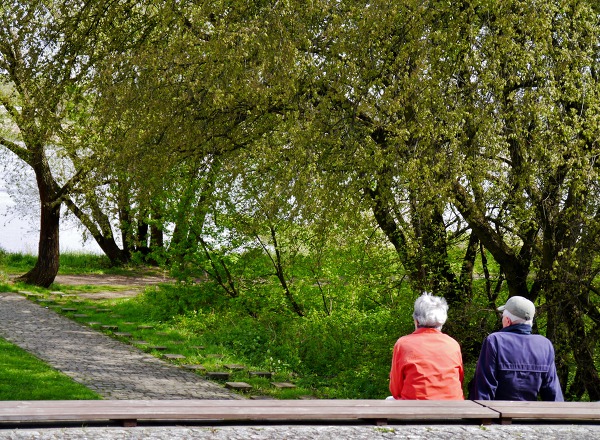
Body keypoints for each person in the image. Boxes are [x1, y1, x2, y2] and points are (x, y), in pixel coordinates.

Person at [470, 296, 564, 401]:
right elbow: (552, 392)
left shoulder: (494, 341)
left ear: (507, 321)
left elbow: (484, 388)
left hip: (499, 414)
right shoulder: (544, 345)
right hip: (530, 415)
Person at [389, 292, 464, 400]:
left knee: (390, 400)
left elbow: (395, 389)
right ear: (442, 320)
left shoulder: (403, 344)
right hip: (453, 409)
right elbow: (459, 380)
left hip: (415, 411)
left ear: (416, 319)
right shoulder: (453, 344)